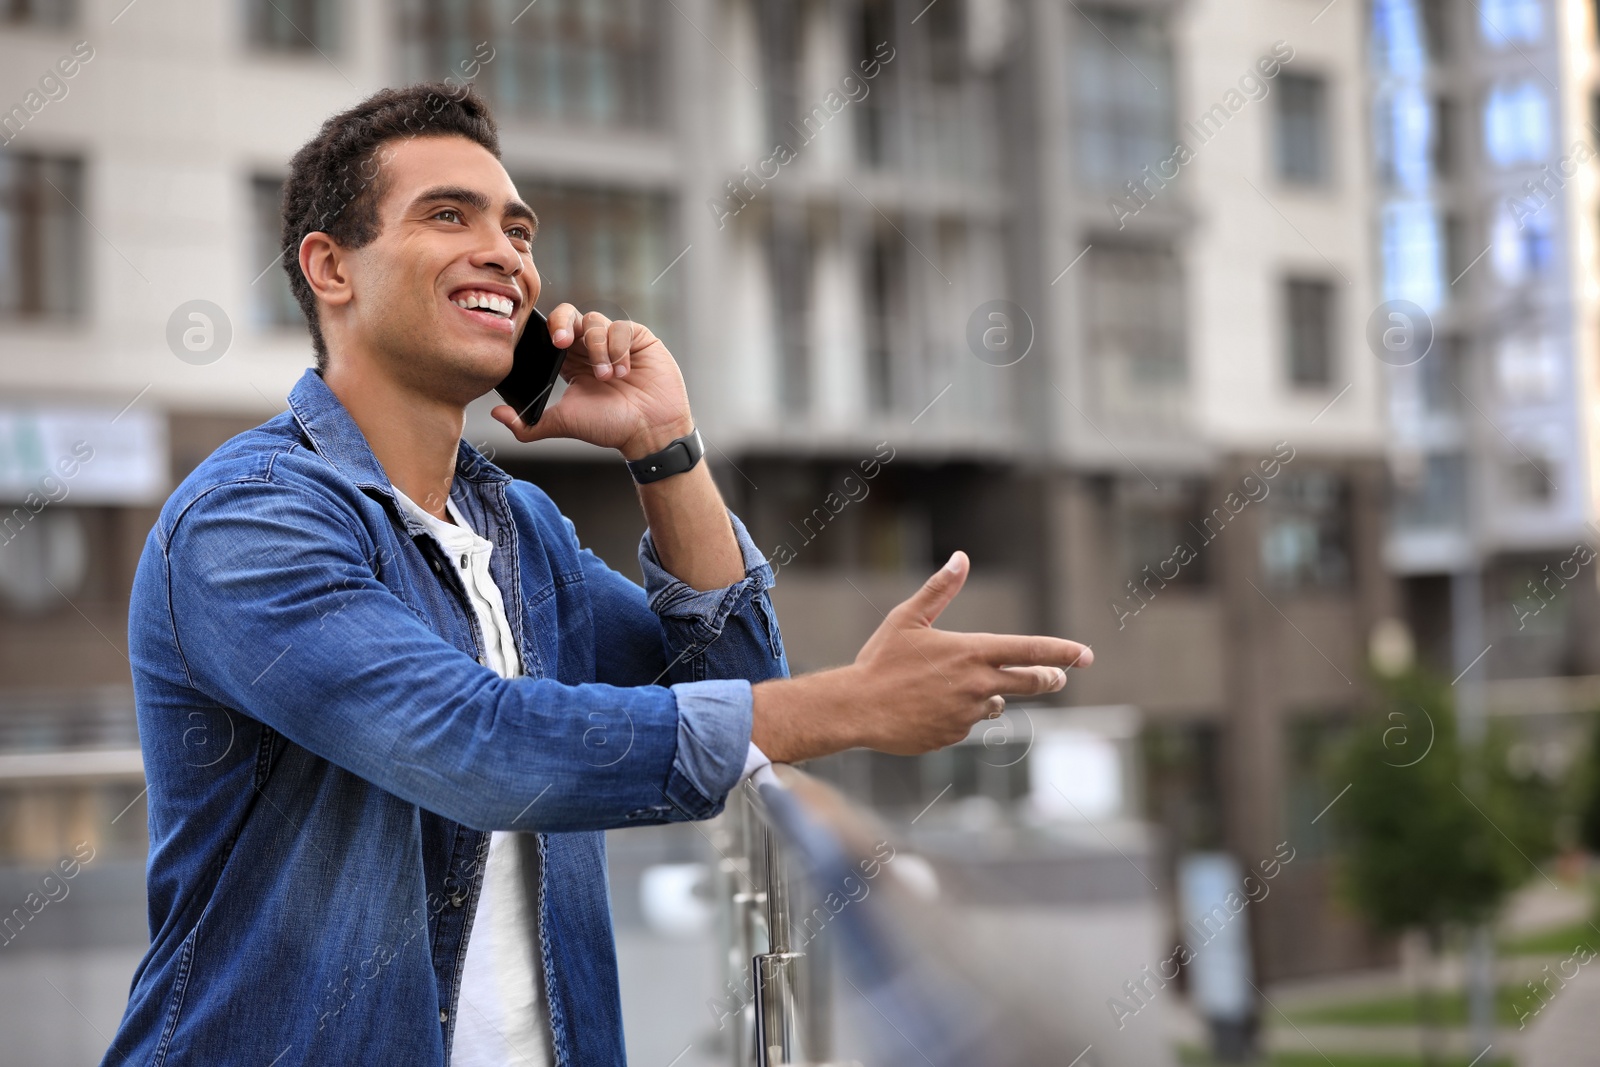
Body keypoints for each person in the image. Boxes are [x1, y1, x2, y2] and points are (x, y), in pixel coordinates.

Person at [100, 82, 1091, 1066]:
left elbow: (734, 686)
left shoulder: (517, 526)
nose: (505, 253)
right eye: (448, 215)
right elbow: (476, 745)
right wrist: (855, 704)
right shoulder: (249, 519)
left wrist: (663, 444)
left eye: (518, 231)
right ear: (330, 267)